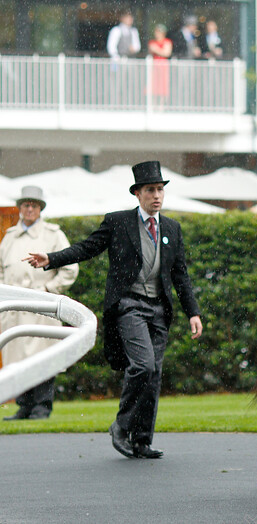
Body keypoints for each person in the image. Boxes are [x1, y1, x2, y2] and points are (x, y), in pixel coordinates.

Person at [24, 161, 203, 459]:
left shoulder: (172, 228)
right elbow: (87, 248)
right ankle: (121, 425)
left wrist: (193, 312)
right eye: (150, 190)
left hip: (159, 309)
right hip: (129, 305)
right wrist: (51, 258)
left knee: (154, 374)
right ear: (137, 194)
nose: (157, 196)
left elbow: (180, 275)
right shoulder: (118, 222)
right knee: (143, 365)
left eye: (160, 190)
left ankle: (142, 440)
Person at [1, 186, 79, 420]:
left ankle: (42, 406)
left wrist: (49, 290)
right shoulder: (9, 236)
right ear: (20, 208)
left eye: (34, 205)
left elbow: (70, 267)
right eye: (26, 205)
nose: (30, 209)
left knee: (43, 357)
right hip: (14, 307)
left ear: (40, 208)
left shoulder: (53, 234)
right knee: (18, 359)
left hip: (41, 306)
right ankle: (24, 406)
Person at [148, 24, 173, 106]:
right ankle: (153, 104)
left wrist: (157, 49)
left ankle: (162, 105)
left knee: (163, 85)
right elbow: (151, 51)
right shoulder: (152, 42)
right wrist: (159, 50)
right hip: (154, 66)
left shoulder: (167, 41)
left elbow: (167, 53)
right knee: (154, 85)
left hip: (163, 66)